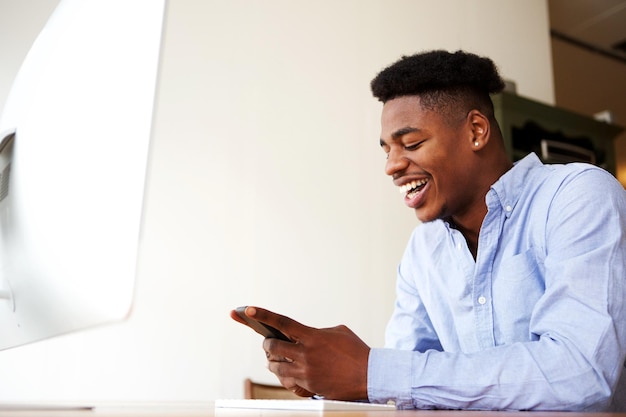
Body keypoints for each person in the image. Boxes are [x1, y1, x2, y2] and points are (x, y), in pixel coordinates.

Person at [230, 50, 626, 411]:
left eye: (412, 143)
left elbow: (581, 371)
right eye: (387, 150)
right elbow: (411, 391)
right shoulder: (423, 250)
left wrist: (372, 371)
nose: (391, 166)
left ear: (476, 130)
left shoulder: (577, 195)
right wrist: (328, 376)